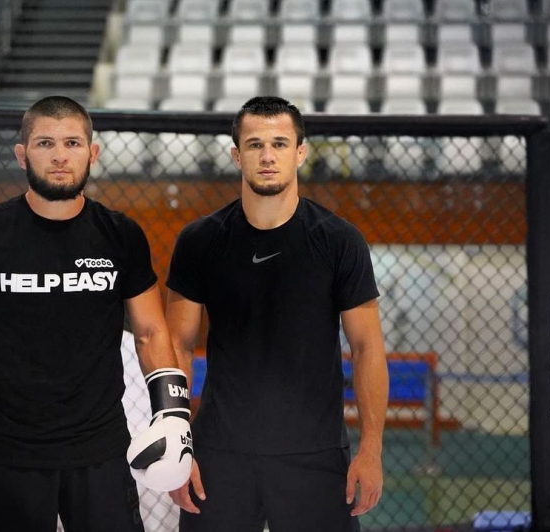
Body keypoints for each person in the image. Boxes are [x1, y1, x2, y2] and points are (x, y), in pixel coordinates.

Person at [0, 95, 193, 532]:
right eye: (45, 143)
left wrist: (172, 413)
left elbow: (151, 331)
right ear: (22, 155)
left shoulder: (121, 235)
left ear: (93, 153)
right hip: (8, 450)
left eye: (72, 143)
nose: (60, 156)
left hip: (100, 448)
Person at [165, 96, 389, 531]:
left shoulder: (340, 241)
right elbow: (178, 345)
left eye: (280, 144)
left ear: (300, 153)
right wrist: (179, 444)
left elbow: (366, 347)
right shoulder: (199, 241)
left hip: (316, 454)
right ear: (237, 156)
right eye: (255, 145)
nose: (267, 156)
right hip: (220, 454)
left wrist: (371, 449)